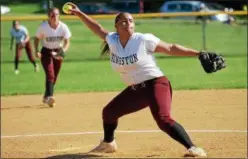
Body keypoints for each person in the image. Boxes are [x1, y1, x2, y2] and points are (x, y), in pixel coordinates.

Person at [68, 2, 207, 157]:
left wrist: (198, 53)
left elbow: (170, 48)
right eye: (123, 21)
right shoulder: (112, 41)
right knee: (109, 112)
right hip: (136, 90)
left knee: (163, 119)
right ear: (116, 26)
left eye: (131, 20)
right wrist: (80, 13)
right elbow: (97, 27)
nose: (128, 23)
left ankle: (193, 148)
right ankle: (108, 143)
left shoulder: (143, 39)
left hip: (156, 84)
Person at [34, 7, 71, 107]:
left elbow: (67, 42)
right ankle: (50, 96)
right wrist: (37, 50)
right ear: (49, 17)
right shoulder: (43, 27)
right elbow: (37, 38)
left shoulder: (63, 27)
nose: (54, 17)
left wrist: (62, 51)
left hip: (58, 51)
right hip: (46, 52)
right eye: (52, 15)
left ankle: (46, 96)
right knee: (50, 74)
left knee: (54, 77)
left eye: (56, 15)